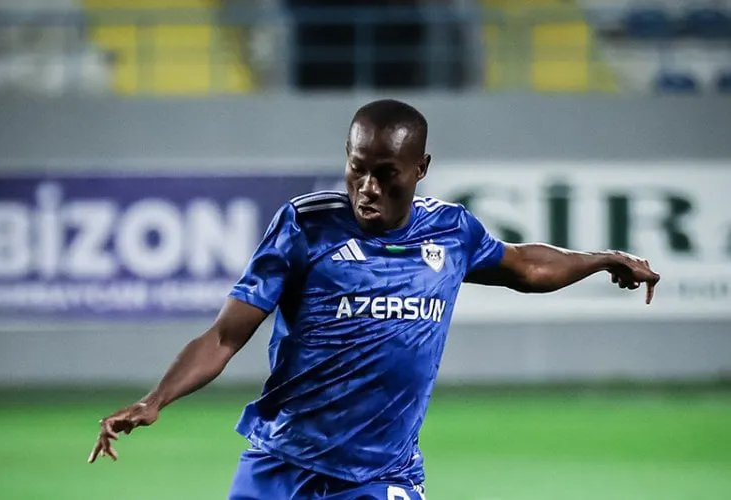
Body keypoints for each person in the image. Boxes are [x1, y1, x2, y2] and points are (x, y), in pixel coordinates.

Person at [87, 99, 660, 499]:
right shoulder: (305, 226)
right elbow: (223, 336)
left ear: (421, 169)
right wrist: (155, 399)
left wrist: (602, 259)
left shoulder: (451, 232)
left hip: (381, 477)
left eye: (387, 174)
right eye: (357, 169)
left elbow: (526, 266)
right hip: (280, 464)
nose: (368, 188)